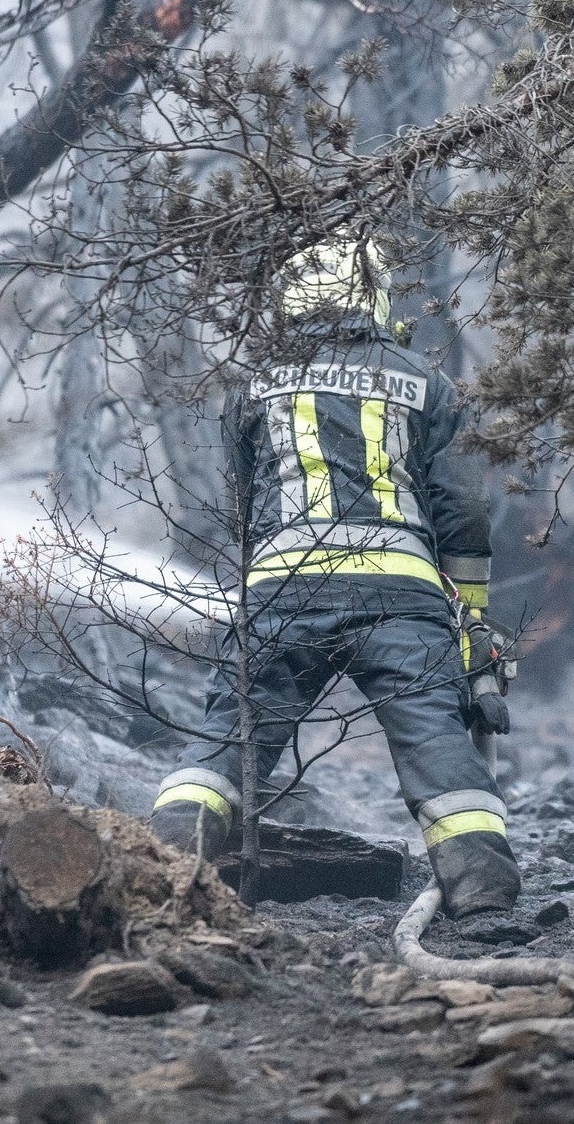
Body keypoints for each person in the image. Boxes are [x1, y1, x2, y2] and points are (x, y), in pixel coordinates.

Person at [148, 236, 520, 918]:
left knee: (231, 738)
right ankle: (482, 893)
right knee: (436, 741)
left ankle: (159, 868)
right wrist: (469, 618)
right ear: (370, 294)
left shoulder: (253, 387)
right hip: (398, 600)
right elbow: (464, 506)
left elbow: (244, 500)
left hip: (281, 596)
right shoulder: (426, 382)